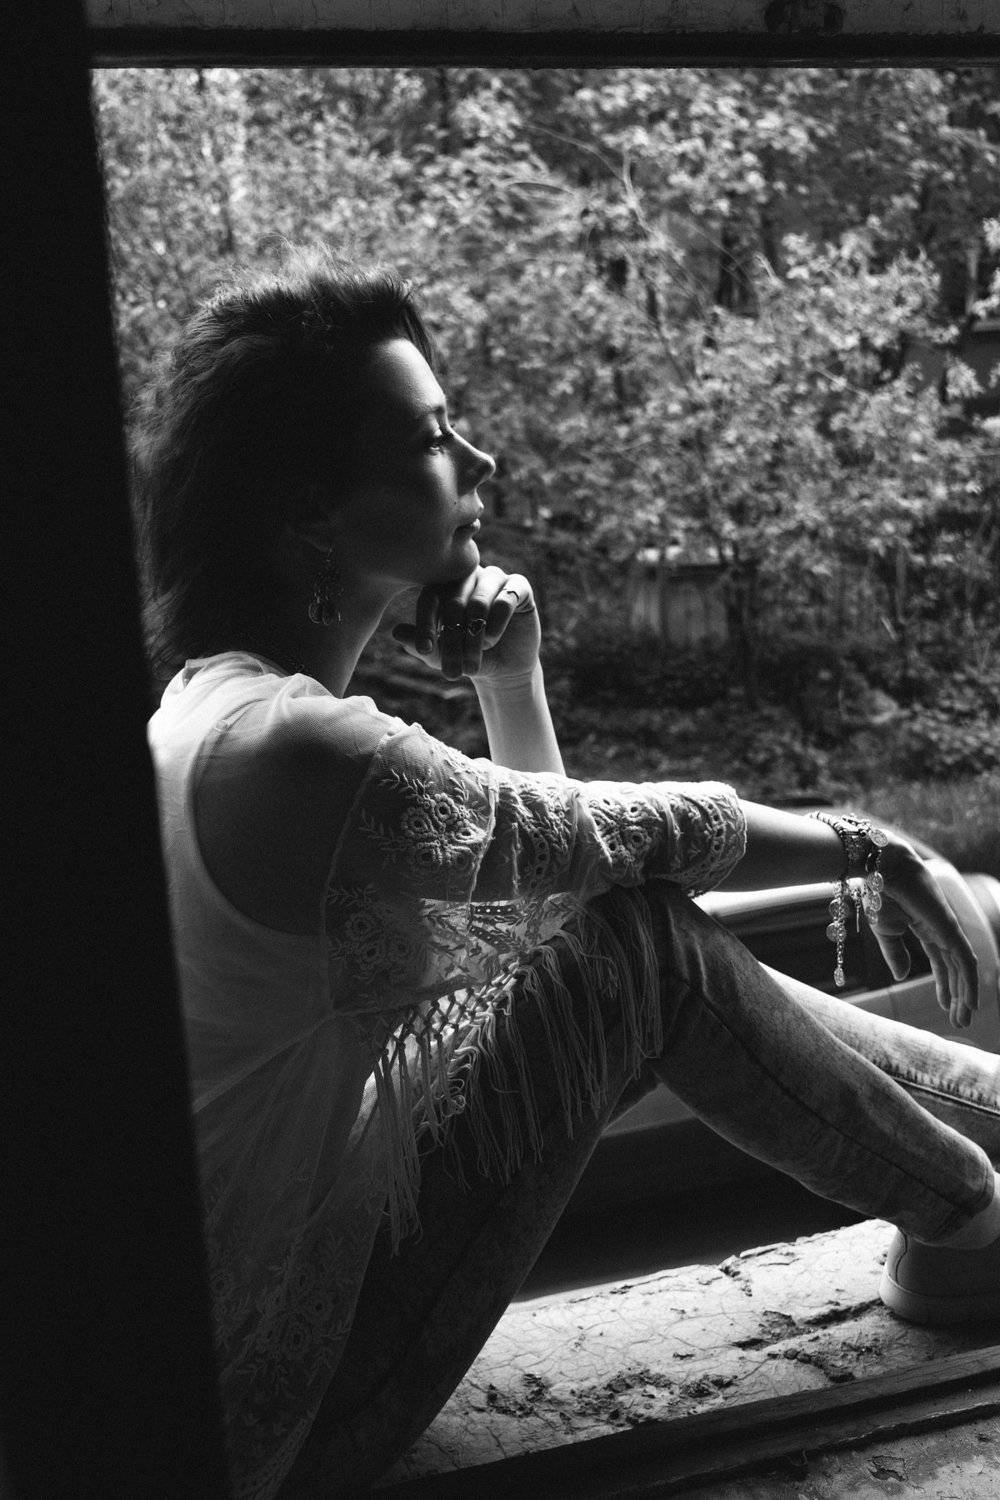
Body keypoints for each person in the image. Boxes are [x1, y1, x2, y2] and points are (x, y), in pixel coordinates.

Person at [133, 250, 1000, 1500]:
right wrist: (873, 844)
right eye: (433, 438)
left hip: (243, 1351)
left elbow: (556, 880)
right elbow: (623, 849)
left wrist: (509, 680)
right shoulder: (297, 752)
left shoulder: (207, 714)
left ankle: (984, 1124)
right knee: (637, 950)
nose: (479, 461)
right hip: (278, 1415)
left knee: (619, 938)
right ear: (311, 513)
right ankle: (969, 1220)